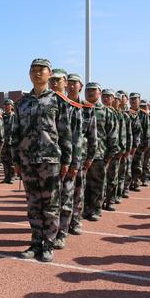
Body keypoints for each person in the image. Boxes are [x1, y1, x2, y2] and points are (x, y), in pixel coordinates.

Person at [11, 59, 72, 262]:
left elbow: (65, 133)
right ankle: (36, 242)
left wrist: (67, 160)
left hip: (50, 161)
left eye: (41, 70)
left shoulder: (58, 101)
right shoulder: (22, 103)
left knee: (51, 204)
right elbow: (15, 133)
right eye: (33, 70)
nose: (37, 74)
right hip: (27, 160)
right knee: (33, 205)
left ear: (49, 73)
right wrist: (16, 160)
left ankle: (48, 244)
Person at [48, 69, 82, 251]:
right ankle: (49, 233)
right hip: (47, 162)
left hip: (66, 162)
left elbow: (76, 138)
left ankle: (62, 233)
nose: (54, 83)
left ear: (66, 83)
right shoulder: (43, 103)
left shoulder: (72, 107)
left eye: (58, 80)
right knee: (50, 201)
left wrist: (74, 163)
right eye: (51, 80)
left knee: (66, 197)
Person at [66, 73, 97, 235]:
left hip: (80, 157)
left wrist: (90, 156)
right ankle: (61, 223)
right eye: (69, 83)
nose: (71, 86)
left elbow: (92, 135)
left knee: (78, 191)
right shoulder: (60, 105)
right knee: (62, 193)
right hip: (61, 157)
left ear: (80, 86)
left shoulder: (87, 108)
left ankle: (75, 222)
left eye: (74, 83)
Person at [83, 83, 118, 221]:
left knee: (97, 183)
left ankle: (95, 209)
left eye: (93, 90)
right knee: (82, 184)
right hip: (82, 154)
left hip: (99, 154)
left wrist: (110, 155)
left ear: (99, 93)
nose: (90, 93)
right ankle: (83, 209)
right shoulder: (80, 109)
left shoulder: (107, 112)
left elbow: (113, 134)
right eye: (88, 90)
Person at [0, 99, 16, 184]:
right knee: (5, 161)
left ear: (12, 106)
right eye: (5, 105)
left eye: (8, 105)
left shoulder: (15, 117)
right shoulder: (2, 116)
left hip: (12, 142)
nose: (7, 106)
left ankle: (12, 177)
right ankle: (7, 177)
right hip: (4, 142)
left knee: (12, 161)